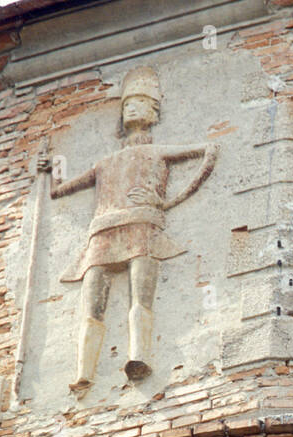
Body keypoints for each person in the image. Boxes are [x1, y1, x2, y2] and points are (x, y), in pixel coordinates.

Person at [43, 66, 217, 392]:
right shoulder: (104, 162)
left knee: (141, 298)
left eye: (141, 103)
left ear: (154, 111)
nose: (132, 109)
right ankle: (84, 374)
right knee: (92, 306)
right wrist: (51, 168)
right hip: (103, 232)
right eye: (127, 104)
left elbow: (209, 151)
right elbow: (58, 191)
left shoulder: (156, 151)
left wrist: (168, 201)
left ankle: (139, 357)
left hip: (142, 226)